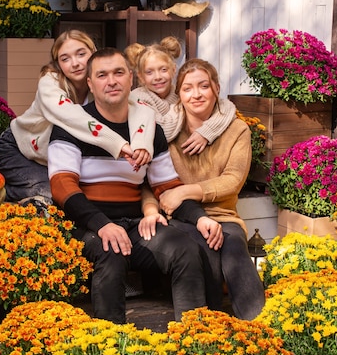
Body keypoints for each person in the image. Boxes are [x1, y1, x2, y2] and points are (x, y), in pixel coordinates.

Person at [48, 48, 223, 324]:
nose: (112, 81)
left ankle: (194, 337)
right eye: (102, 75)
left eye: (119, 73)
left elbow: (167, 187)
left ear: (131, 79)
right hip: (88, 225)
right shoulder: (71, 126)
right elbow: (62, 186)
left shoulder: (148, 128)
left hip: (136, 225)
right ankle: (111, 347)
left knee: (185, 247)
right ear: (91, 84)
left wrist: (200, 218)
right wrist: (101, 223)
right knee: (111, 252)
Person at [140, 58, 266, 320]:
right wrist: (161, 205)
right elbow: (148, 181)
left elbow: (233, 180)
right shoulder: (164, 130)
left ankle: (259, 325)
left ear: (216, 89)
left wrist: (186, 191)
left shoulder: (236, 129)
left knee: (233, 248)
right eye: (187, 88)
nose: (196, 94)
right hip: (180, 217)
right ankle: (208, 330)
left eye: (203, 86)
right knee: (202, 248)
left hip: (223, 214)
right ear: (179, 95)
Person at [0, 30, 154, 205]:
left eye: (81, 54)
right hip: (18, 149)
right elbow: (73, 117)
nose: (75, 63)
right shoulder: (50, 83)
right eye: (65, 59)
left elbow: (141, 108)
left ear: (93, 52)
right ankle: (0, 188)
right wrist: (118, 143)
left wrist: (141, 144)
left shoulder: (101, 82)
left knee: (80, 194)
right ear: (58, 64)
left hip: (53, 158)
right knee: (54, 197)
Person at [125, 36, 235, 152]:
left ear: (173, 70)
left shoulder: (180, 91)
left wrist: (206, 132)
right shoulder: (138, 98)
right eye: (149, 72)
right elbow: (162, 132)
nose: (157, 77)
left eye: (163, 70)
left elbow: (227, 107)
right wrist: (183, 106)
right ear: (141, 77)